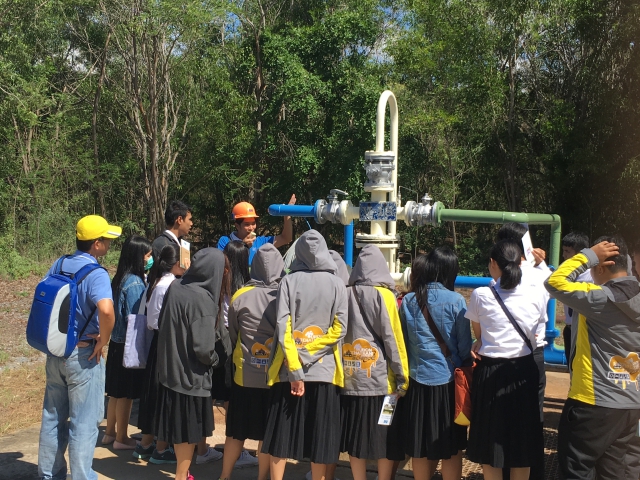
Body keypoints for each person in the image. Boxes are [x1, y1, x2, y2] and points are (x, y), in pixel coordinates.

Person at [545, 237, 640, 480]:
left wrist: (588, 255)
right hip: (630, 404)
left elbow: (554, 282)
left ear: (600, 267)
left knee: (577, 470)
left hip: (592, 402)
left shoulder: (597, 297)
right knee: (617, 472)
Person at [38, 214, 120, 480]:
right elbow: (106, 310)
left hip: (56, 352)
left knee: (53, 417)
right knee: (84, 422)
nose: (109, 244)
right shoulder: (97, 273)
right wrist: (103, 340)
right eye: (106, 239)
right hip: (84, 354)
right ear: (96, 244)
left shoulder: (60, 263)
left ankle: (49, 474)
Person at [262, 229, 348, 480]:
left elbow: (283, 327)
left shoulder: (288, 281)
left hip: (288, 371)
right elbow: (340, 329)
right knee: (320, 439)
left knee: (280, 436)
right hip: (325, 371)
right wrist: (309, 353)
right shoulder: (337, 283)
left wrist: (296, 363)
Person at [465, 240, 545, 480]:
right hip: (524, 370)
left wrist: (482, 340)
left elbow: (479, 334)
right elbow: (535, 330)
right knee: (523, 443)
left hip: (491, 373)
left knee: (490, 443)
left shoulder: (481, 295)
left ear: (493, 263)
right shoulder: (536, 293)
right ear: (521, 262)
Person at [154, 248, 227, 480]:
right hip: (191, 377)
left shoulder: (176, 287)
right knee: (188, 432)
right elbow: (203, 349)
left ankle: (182, 472)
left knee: (178, 429)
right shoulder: (203, 300)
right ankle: (181, 475)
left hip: (170, 371)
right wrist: (216, 360)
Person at [400, 247, 472, 480]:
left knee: (420, 447)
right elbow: (464, 346)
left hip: (417, 383)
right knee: (451, 448)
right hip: (448, 384)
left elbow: (403, 342)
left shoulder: (409, 300)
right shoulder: (456, 300)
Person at [341, 245, 409, 480]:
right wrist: (402, 378)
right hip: (382, 384)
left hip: (351, 380)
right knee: (386, 437)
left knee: (356, 438)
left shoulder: (344, 293)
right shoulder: (386, 296)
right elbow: (393, 340)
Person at [220, 243, 285, 480]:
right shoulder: (284, 296)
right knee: (269, 434)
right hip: (275, 377)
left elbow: (233, 333)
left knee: (235, 432)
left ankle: (224, 476)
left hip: (244, 375)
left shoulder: (240, 295)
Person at [496, 222, 549, 480]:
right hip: (534, 355)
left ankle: (505, 471)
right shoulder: (541, 274)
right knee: (532, 419)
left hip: (502, 359)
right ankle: (533, 473)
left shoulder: (497, 280)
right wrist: (541, 265)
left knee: (503, 419)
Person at [133, 243, 185, 464]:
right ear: (176, 263)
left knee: (154, 395)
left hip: (158, 344)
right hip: (166, 345)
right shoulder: (170, 285)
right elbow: (158, 321)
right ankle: (161, 449)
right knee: (164, 396)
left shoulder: (157, 282)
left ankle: (145, 445)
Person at [208, 240, 257, 468]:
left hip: (216, 341)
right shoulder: (245, 288)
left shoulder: (217, 283)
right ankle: (236, 450)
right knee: (231, 399)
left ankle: (200, 446)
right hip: (235, 344)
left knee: (211, 395)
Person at [102, 235, 153, 449]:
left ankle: (110, 433)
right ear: (138, 256)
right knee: (126, 395)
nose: (150, 259)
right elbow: (135, 318)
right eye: (148, 255)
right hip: (128, 345)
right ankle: (122, 438)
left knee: (115, 393)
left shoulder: (120, 278)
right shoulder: (134, 283)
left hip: (116, 343)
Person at [217, 195, 296, 265]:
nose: (251, 228)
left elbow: (286, 238)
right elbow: (222, 266)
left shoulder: (260, 242)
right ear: (237, 226)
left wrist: (287, 215)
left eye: (253, 223)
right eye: (247, 224)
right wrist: (243, 246)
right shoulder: (225, 241)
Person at [560, 232, 591, 363]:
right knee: (571, 368)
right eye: (563, 251)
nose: (564, 255)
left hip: (585, 331)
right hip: (569, 330)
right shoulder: (563, 274)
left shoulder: (592, 276)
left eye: (567, 251)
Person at [152, 200, 193, 267]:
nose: (191, 223)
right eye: (190, 219)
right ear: (179, 220)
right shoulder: (162, 244)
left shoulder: (182, 243)